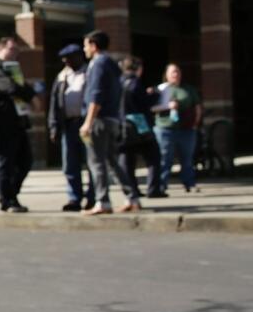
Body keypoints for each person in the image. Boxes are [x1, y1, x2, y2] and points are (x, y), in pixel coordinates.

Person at [79, 30, 141, 215]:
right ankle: (132, 198)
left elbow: (95, 95)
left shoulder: (98, 64)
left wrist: (88, 122)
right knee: (112, 161)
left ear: (93, 45)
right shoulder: (112, 65)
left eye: (86, 45)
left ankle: (102, 201)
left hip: (99, 119)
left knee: (96, 162)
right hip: (112, 119)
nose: (84, 49)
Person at [0, 34, 40, 213]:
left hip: (19, 123)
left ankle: (12, 194)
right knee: (6, 162)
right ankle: (7, 200)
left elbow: (22, 85)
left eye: (17, 49)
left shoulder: (14, 70)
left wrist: (30, 94)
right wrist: (31, 96)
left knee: (25, 161)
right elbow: (11, 88)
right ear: (1, 49)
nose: (15, 52)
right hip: (3, 124)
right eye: (12, 49)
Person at [46, 43, 96, 212]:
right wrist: (53, 126)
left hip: (86, 125)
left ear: (78, 57)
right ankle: (74, 198)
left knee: (91, 162)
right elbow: (54, 103)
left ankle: (92, 197)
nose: (66, 63)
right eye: (64, 60)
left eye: (69, 59)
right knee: (70, 164)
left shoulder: (89, 73)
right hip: (68, 125)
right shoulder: (62, 77)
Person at [153, 63, 203, 195]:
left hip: (186, 128)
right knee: (165, 159)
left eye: (178, 72)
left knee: (187, 159)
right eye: (173, 72)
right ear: (167, 75)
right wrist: (167, 106)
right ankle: (161, 185)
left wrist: (195, 123)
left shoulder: (188, 89)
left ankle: (189, 183)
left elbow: (197, 106)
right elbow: (151, 108)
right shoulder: (160, 90)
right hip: (165, 128)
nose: (176, 74)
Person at [121, 56, 164, 199]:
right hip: (140, 126)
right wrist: (155, 95)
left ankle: (132, 190)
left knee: (128, 160)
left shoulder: (118, 82)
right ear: (138, 69)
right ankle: (153, 189)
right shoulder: (135, 83)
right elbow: (144, 104)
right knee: (153, 157)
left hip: (122, 126)